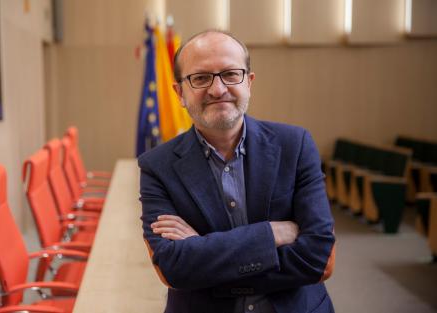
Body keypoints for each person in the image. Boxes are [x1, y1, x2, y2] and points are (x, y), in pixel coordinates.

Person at [138, 29, 336, 313]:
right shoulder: (157, 166)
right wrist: (270, 234)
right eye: (201, 77)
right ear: (179, 92)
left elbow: (317, 256)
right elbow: (174, 269)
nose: (218, 89)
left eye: (231, 74)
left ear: (249, 82)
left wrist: (203, 252)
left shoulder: (296, 146)